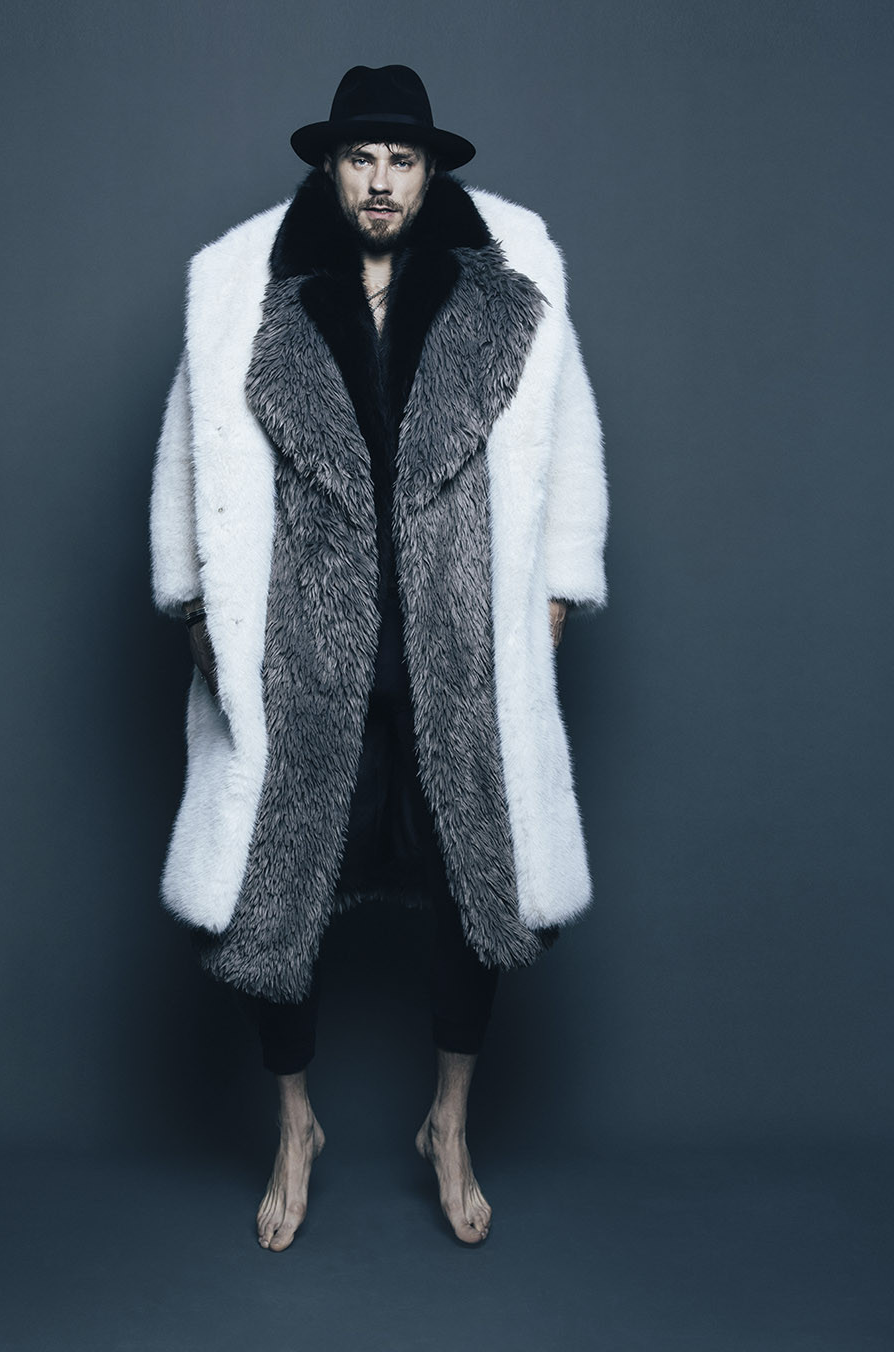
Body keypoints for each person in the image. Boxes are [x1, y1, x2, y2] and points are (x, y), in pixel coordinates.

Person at [149, 64, 608, 1251]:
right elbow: (190, 454)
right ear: (330, 165)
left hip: (461, 643)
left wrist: (554, 598)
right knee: (278, 891)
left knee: (473, 888)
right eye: (362, 158)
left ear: (431, 168)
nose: (383, 181)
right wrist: (197, 613)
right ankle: (292, 1123)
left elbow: (565, 441)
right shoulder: (246, 289)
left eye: (403, 160)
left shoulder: (509, 282)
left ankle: (448, 1120)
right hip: (300, 648)